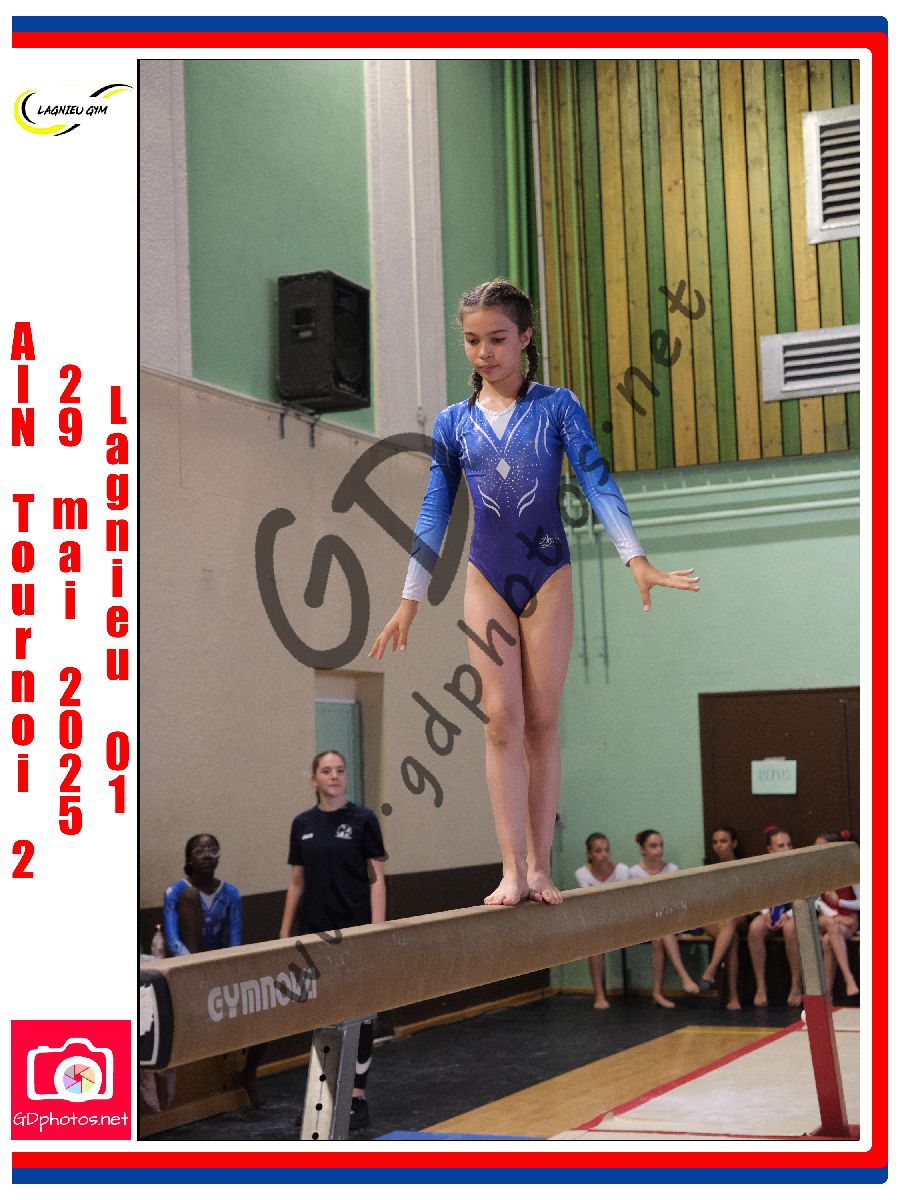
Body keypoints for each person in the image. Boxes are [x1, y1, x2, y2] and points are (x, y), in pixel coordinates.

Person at [369, 279, 699, 907]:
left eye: (497, 339)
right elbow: (436, 507)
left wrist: (635, 558)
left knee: (541, 722)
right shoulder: (454, 423)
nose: (483, 352)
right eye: (472, 341)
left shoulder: (556, 407)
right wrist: (410, 597)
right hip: (487, 576)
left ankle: (541, 866)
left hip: (546, 573)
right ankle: (511, 870)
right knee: (501, 720)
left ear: (525, 337)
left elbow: (596, 479)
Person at [279, 750, 387, 1131]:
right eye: (326, 771)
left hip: (354, 931)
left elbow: (376, 878)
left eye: (340, 770)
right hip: (314, 935)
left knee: (360, 1013)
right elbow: (297, 882)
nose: (335, 776)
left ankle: (356, 1096)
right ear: (314, 778)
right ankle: (322, 1097)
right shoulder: (302, 824)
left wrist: (376, 928)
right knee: (322, 1016)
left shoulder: (363, 820)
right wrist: (285, 932)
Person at [162, 835, 262, 1106]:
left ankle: (248, 1073)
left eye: (212, 850)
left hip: (219, 967)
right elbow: (172, 941)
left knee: (262, 1008)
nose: (206, 855)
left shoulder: (230, 893)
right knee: (191, 896)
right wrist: (197, 968)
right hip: (186, 969)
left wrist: (224, 970)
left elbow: (235, 940)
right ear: (189, 858)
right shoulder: (176, 892)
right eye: (199, 851)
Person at [629, 829, 700, 1008]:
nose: (659, 850)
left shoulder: (671, 869)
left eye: (660, 845)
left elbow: (677, 898)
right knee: (659, 935)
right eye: (653, 846)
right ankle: (683, 977)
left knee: (660, 936)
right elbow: (634, 902)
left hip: (670, 919)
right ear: (643, 849)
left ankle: (657, 992)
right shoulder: (634, 872)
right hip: (644, 920)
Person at [746, 825, 803, 1006]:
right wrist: (766, 914)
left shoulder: (798, 867)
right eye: (781, 845)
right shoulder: (763, 869)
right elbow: (758, 896)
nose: (787, 848)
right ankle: (761, 986)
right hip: (772, 912)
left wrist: (788, 914)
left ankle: (796, 985)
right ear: (770, 849)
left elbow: (803, 896)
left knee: (790, 929)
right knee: (755, 928)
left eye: (789, 844)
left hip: (793, 912)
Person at [575, 833, 630, 1008]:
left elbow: (622, 901)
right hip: (598, 921)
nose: (604, 855)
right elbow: (590, 904)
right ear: (589, 854)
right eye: (598, 851)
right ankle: (599, 995)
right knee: (594, 942)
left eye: (606, 850)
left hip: (622, 919)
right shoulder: (582, 873)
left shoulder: (621, 870)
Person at [699, 826, 744, 1009]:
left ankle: (712, 966)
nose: (718, 845)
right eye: (715, 842)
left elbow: (747, 900)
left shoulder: (743, 867)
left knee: (730, 921)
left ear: (734, 843)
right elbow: (706, 902)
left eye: (723, 841)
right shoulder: (710, 871)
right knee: (731, 938)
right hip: (716, 918)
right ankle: (733, 996)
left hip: (738, 915)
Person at [815, 831, 860, 999]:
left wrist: (840, 903)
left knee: (828, 941)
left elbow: (863, 902)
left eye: (821, 848)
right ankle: (849, 979)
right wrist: (835, 914)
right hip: (828, 918)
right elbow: (815, 901)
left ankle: (827, 994)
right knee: (830, 923)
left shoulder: (850, 871)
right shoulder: (816, 873)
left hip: (848, 921)